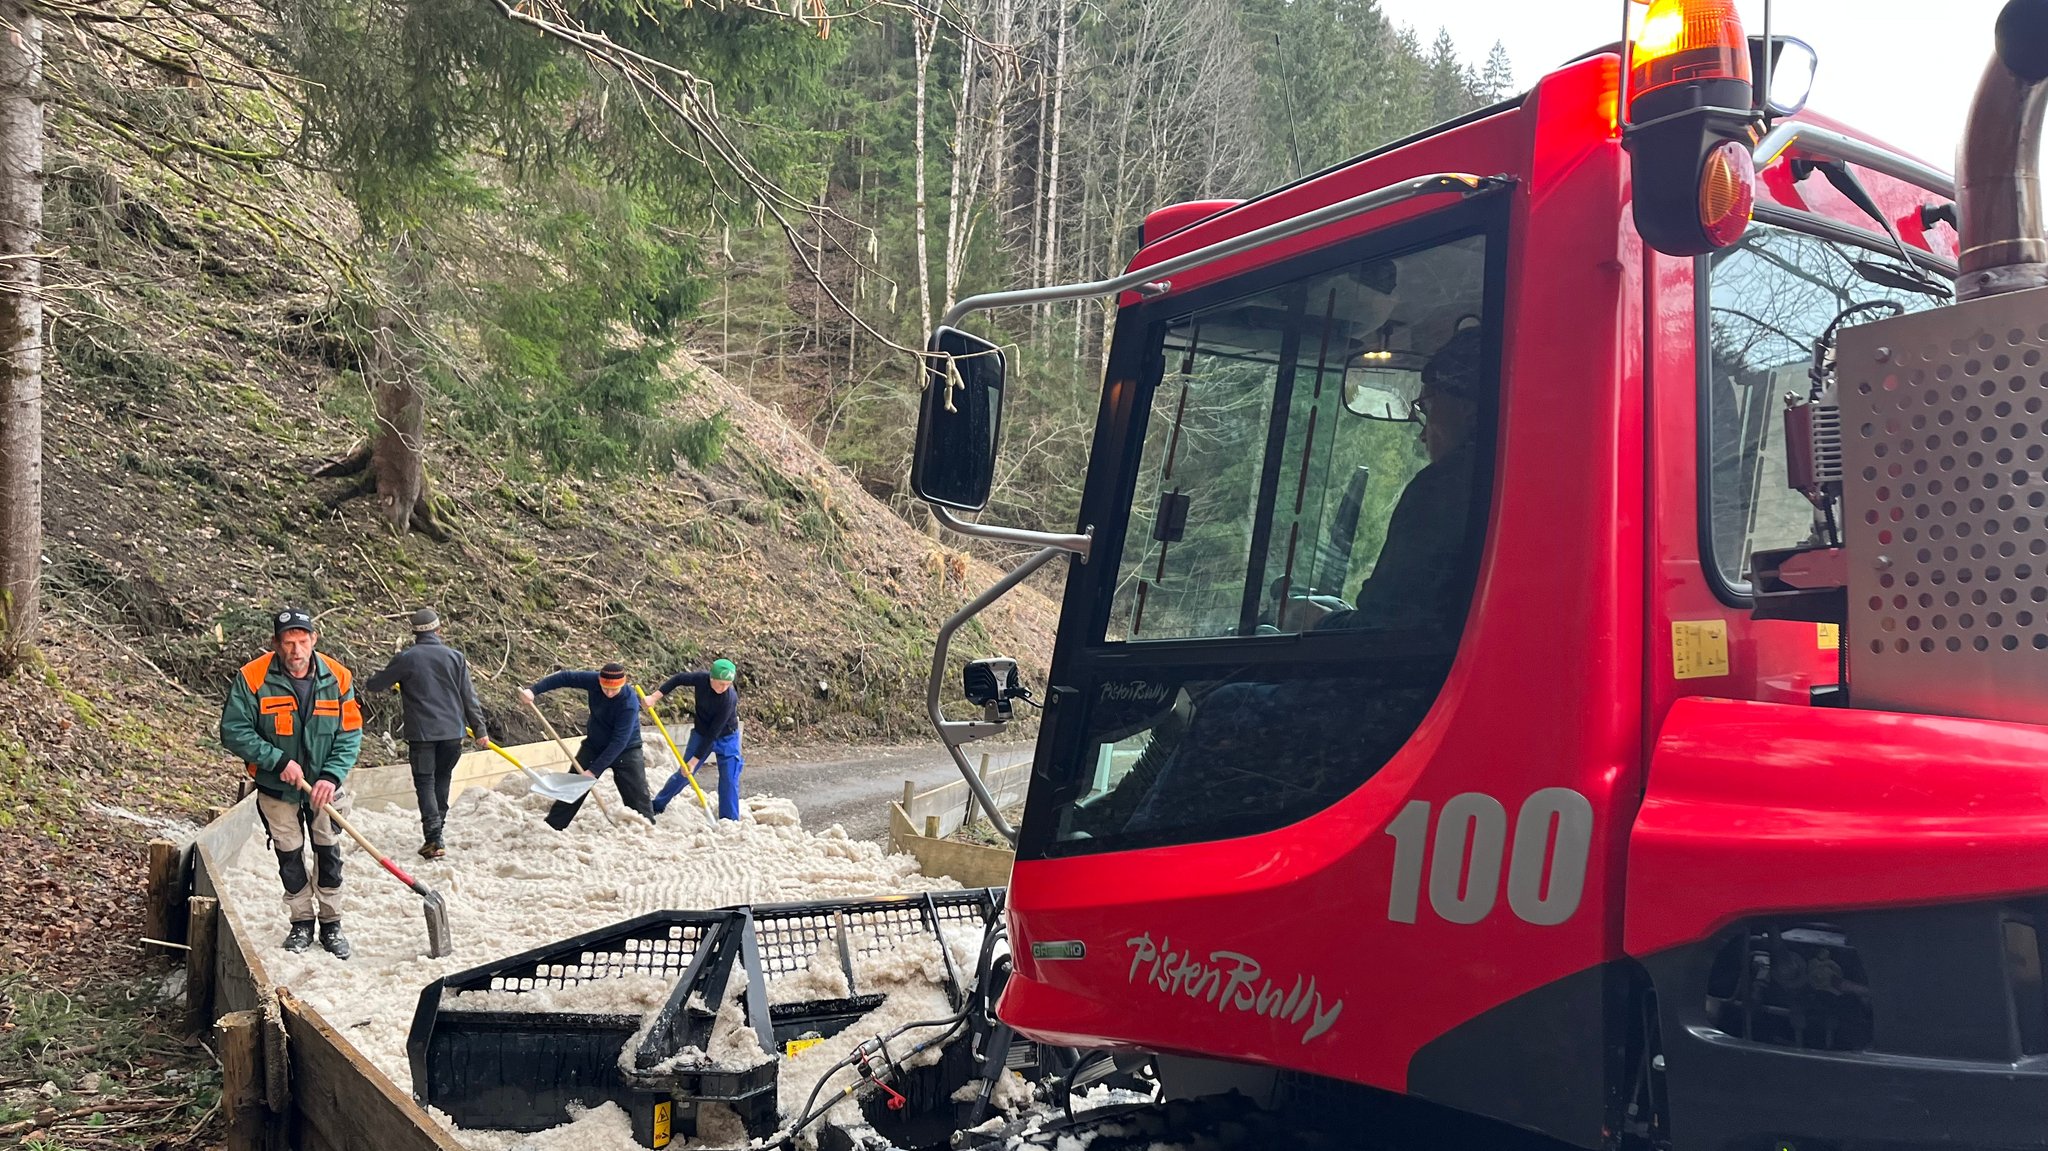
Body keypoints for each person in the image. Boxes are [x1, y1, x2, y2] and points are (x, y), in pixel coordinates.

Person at [219, 607, 362, 959]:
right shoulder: (252, 677)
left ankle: (332, 924)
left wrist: (331, 776)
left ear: (314, 640)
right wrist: (277, 760)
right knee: (290, 855)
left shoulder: (338, 677)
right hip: (277, 787)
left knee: (328, 853)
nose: (296, 650)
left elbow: (350, 733)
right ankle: (301, 923)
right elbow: (233, 731)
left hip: (325, 787)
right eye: (288, 643)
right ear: (276, 644)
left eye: (302, 641)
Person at [361, 607, 491, 859]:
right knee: (442, 779)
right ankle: (437, 833)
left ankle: (433, 838)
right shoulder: (455, 657)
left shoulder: (407, 658)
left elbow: (375, 685)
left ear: (413, 634)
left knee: (425, 782)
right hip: (453, 732)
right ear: (439, 630)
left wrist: (389, 679)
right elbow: (469, 697)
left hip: (422, 735)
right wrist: (480, 731)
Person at [521, 662, 653, 826]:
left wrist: (593, 771)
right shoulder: (593, 680)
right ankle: (553, 826)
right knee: (573, 786)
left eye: (614, 690)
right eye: (605, 689)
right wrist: (533, 690)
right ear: (600, 681)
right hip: (595, 744)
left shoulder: (629, 703)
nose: (609, 693)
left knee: (638, 795)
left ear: (623, 684)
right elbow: (564, 677)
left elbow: (619, 742)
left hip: (626, 750)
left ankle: (646, 829)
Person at [644, 658, 744, 820]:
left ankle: (729, 820)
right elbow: (678, 679)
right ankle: (657, 805)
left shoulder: (729, 698)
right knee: (683, 773)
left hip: (727, 737)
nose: (723, 688)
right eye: (720, 684)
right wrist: (655, 697)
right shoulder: (701, 679)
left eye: (728, 684)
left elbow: (714, 733)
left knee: (729, 779)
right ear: (711, 678)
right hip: (701, 734)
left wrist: (694, 761)